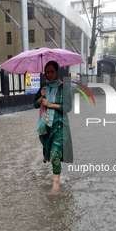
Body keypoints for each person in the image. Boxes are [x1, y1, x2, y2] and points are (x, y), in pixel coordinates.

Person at [33, 61, 73, 193]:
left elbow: (67, 107)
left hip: (60, 126)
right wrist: (41, 98)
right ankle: (57, 176)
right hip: (45, 126)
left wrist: (50, 104)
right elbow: (34, 104)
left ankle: (56, 185)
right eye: (47, 72)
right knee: (51, 153)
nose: (49, 74)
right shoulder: (43, 88)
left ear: (58, 72)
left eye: (52, 71)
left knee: (55, 154)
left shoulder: (64, 88)